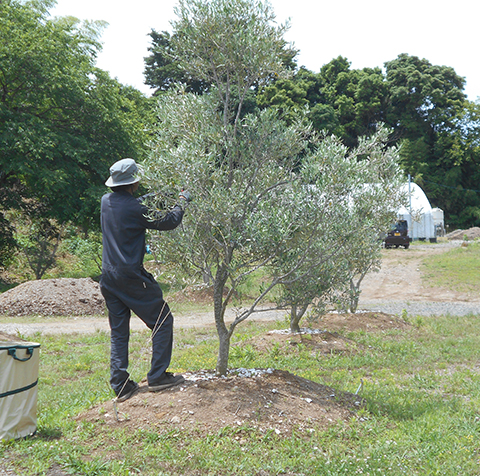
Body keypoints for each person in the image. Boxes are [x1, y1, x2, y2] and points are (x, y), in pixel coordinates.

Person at [100, 158, 190, 402]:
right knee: (163, 320)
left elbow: (130, 205)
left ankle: (120, 386)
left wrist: (154, 196)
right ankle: (158, 377)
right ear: (134, 182)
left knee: (119, 333)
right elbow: (170, 222)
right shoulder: (136, 209)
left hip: (108, 277)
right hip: (131, 277)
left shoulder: (106, 202)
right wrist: (182, 200)